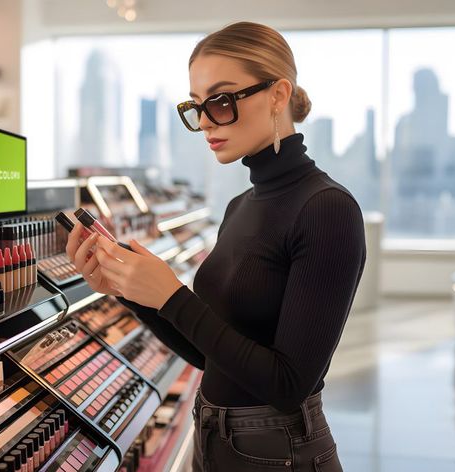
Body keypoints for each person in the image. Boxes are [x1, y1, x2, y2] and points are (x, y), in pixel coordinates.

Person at [66, 21, 366, 472]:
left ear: (278, 95)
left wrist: (171, 295)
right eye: (196, 106)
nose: (205, 121)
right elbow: (211, 358)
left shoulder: (327, 209)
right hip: (211, 437)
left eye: (221, 101)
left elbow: (288, 385)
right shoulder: (239, 205)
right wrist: (130, 291)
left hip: (278, 451)